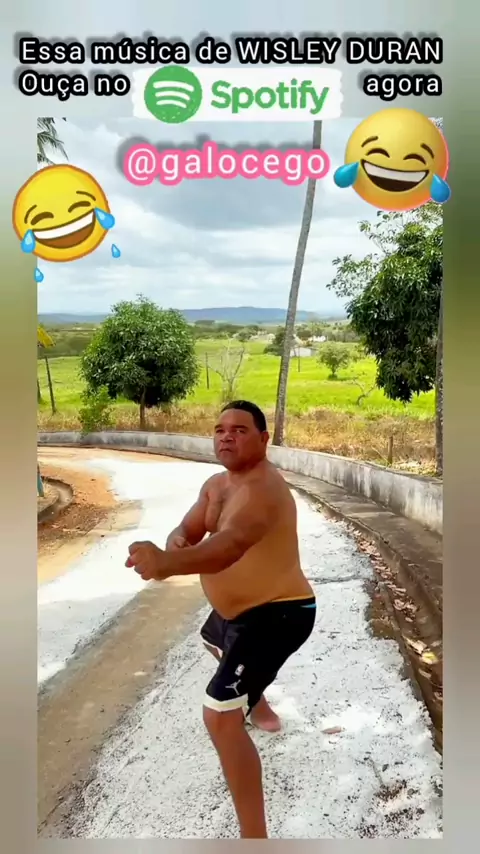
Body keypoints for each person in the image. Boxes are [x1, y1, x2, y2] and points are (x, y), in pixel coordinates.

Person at [126, 400, 316, 839]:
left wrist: (168, 564)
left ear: (264, 439)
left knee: (219, 718)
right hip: (235, 615)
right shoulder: (215, 486)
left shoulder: (264, 489)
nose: (226, 436)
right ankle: (256, 699)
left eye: (239, 430)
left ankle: (255, 840)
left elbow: (229, 545)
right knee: (214, 639)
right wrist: (175, 541)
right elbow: (188, 530)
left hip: (279, 613)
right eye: (219, 429)